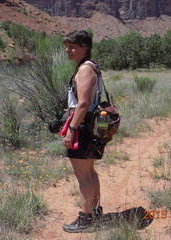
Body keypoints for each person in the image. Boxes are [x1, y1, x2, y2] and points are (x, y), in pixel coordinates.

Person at [62, 30, 106, 233]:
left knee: (83, 176)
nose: (67, 50)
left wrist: (71, 130)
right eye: (67, 46)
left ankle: (86, 218)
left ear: (85, 48)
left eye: (72, 46)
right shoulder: (91, 67)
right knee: (90, 173)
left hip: (82, 128)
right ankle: (95, 212)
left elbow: (83, 104)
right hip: (89, 126)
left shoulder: (85, 70)